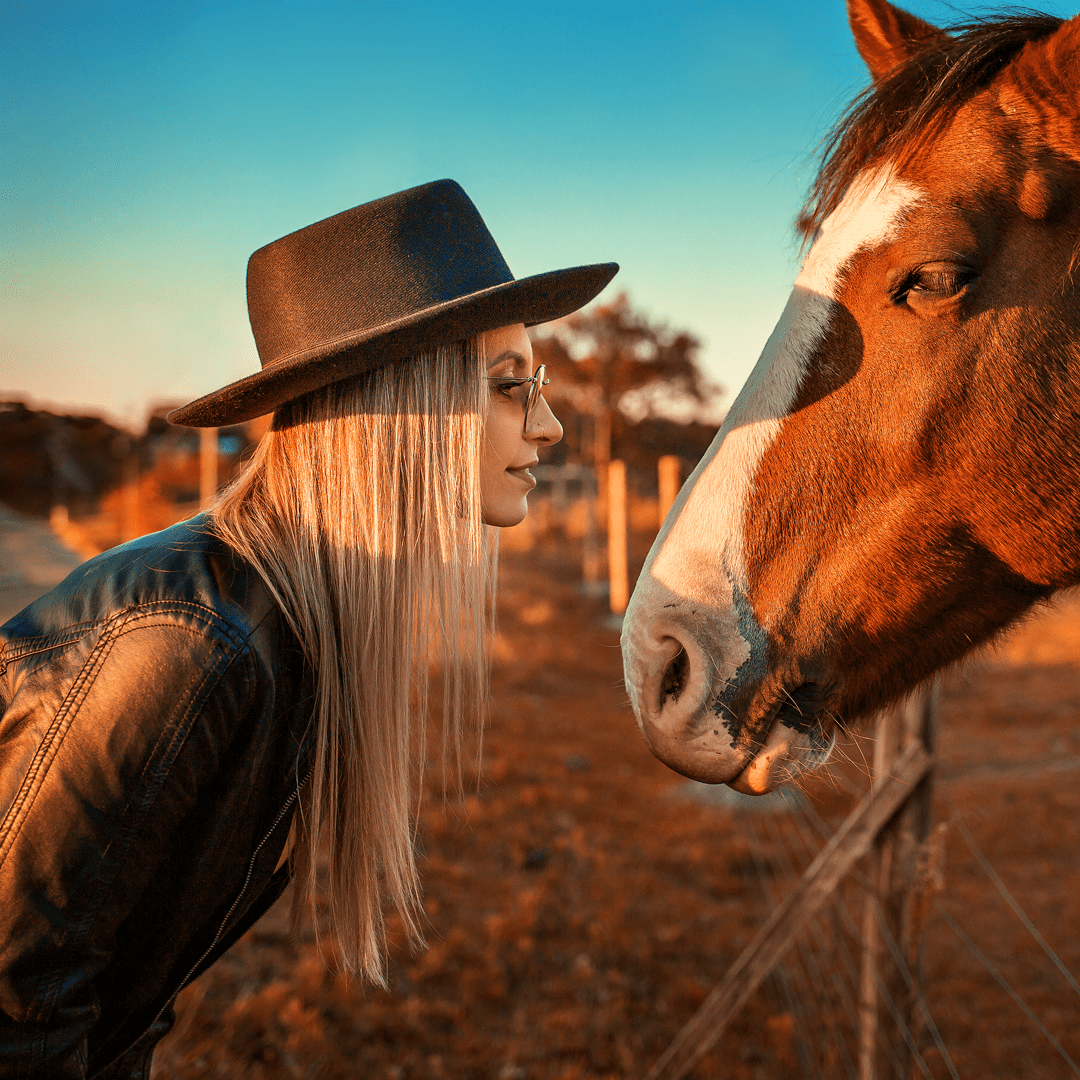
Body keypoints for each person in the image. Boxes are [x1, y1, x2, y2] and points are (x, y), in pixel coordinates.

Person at [0, 179, 618, 1079]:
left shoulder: (294, 621)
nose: (550, 423)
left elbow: (111, 996)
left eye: (540, 383)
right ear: (399, 405)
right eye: (508, 385)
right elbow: (16, 1004)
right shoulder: (191, 644)